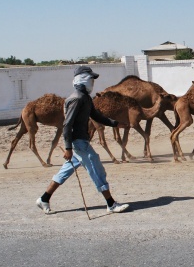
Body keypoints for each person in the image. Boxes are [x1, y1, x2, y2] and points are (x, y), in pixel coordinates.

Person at [36, 65, 129, 214]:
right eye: (91, 78)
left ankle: (44, 199)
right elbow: (67, 125)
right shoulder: (77, 99)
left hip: (80, 141)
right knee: (95, 166)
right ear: (83, 79)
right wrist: (68, 148)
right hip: (78, 142)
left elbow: (96, 116)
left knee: (64, 172)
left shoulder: (85, 98)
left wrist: (115, 123)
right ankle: (111, 204)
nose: (93, 82)